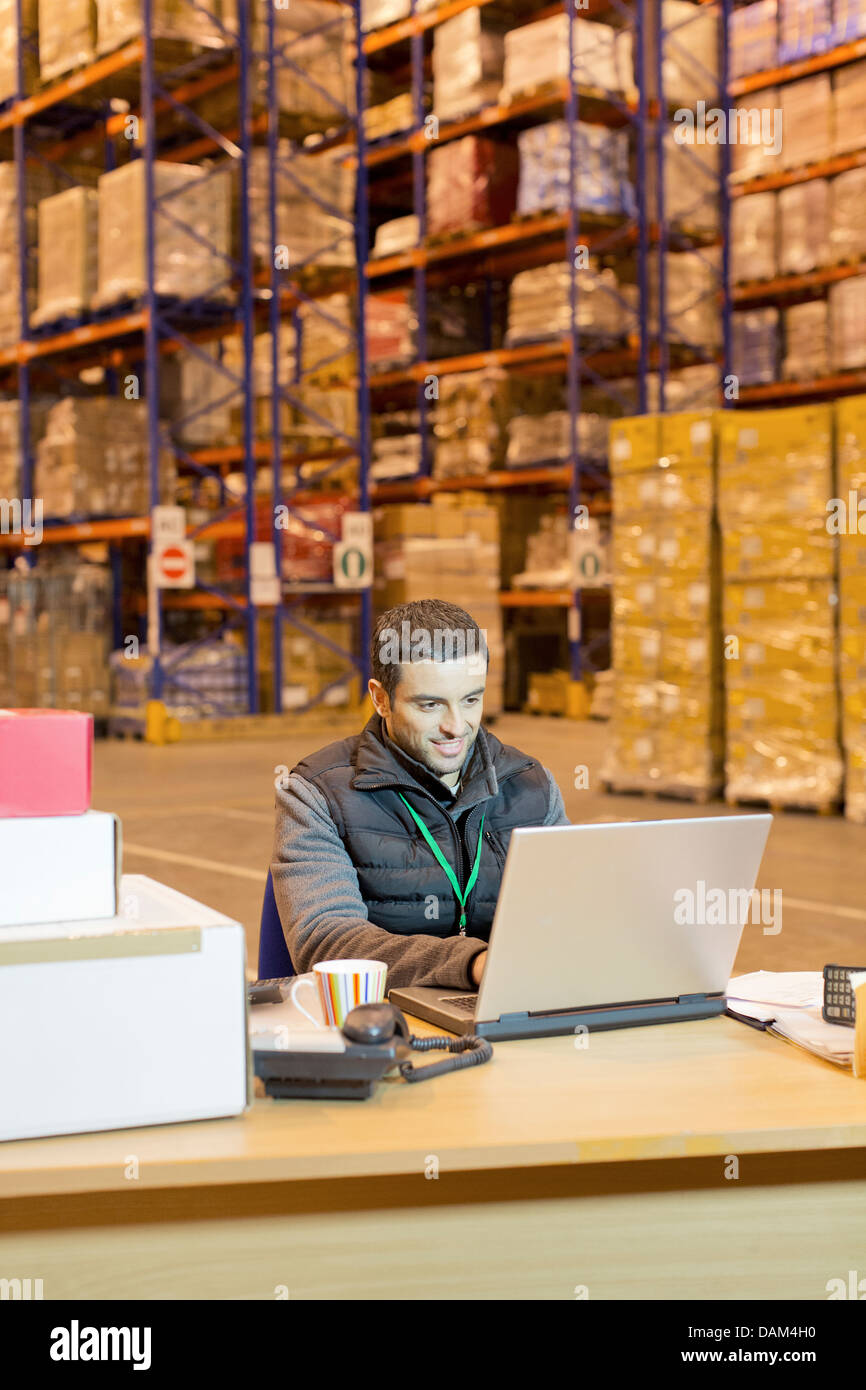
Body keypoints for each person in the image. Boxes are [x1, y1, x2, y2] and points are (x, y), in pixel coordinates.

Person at [272, 599, 569, 989]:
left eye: (471, 700)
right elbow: (327, 942)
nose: (456, 726)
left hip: (512, 1004)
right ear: (381, 699)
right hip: (384, 1025)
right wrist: (473, 964)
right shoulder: (316, 795)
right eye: (430, 705)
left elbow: (574, 913)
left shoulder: (533, 786)